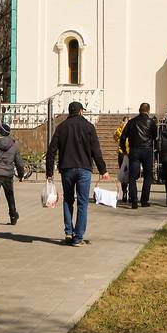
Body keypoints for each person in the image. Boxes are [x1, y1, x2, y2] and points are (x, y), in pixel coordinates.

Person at [45, 100, 110, 243]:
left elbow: (51, 151)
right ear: (81, 111)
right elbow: (96, 151)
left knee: (68, 200)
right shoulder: (89, 127)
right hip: (84, 169)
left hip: (66, 168)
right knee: (82, 203)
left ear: (70, 112)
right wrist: (103, 170)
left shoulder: (61, 127)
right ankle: (78, 237)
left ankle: (69, 232)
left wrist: (49, 172)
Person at [119, 102, 158, 209]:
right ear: (148, 111)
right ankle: (144, 200)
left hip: (134, 150)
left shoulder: (132, 122)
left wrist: (124, 150)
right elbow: (155, 137)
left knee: (132, 177)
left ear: (139, 110)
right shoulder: (151, 122)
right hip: (147, 150)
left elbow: (123, 137)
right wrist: (156, 149)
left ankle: (134, 200)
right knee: (148, 176)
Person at [114, 116, 130, 202]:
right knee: (129, 173)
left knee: (124, 173)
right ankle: (128, 193)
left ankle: (125, 193)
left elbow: (115, 138)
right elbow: (116, 138)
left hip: (122, 153)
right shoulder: (128, 129)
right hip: (127, 153)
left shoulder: (119, 130)